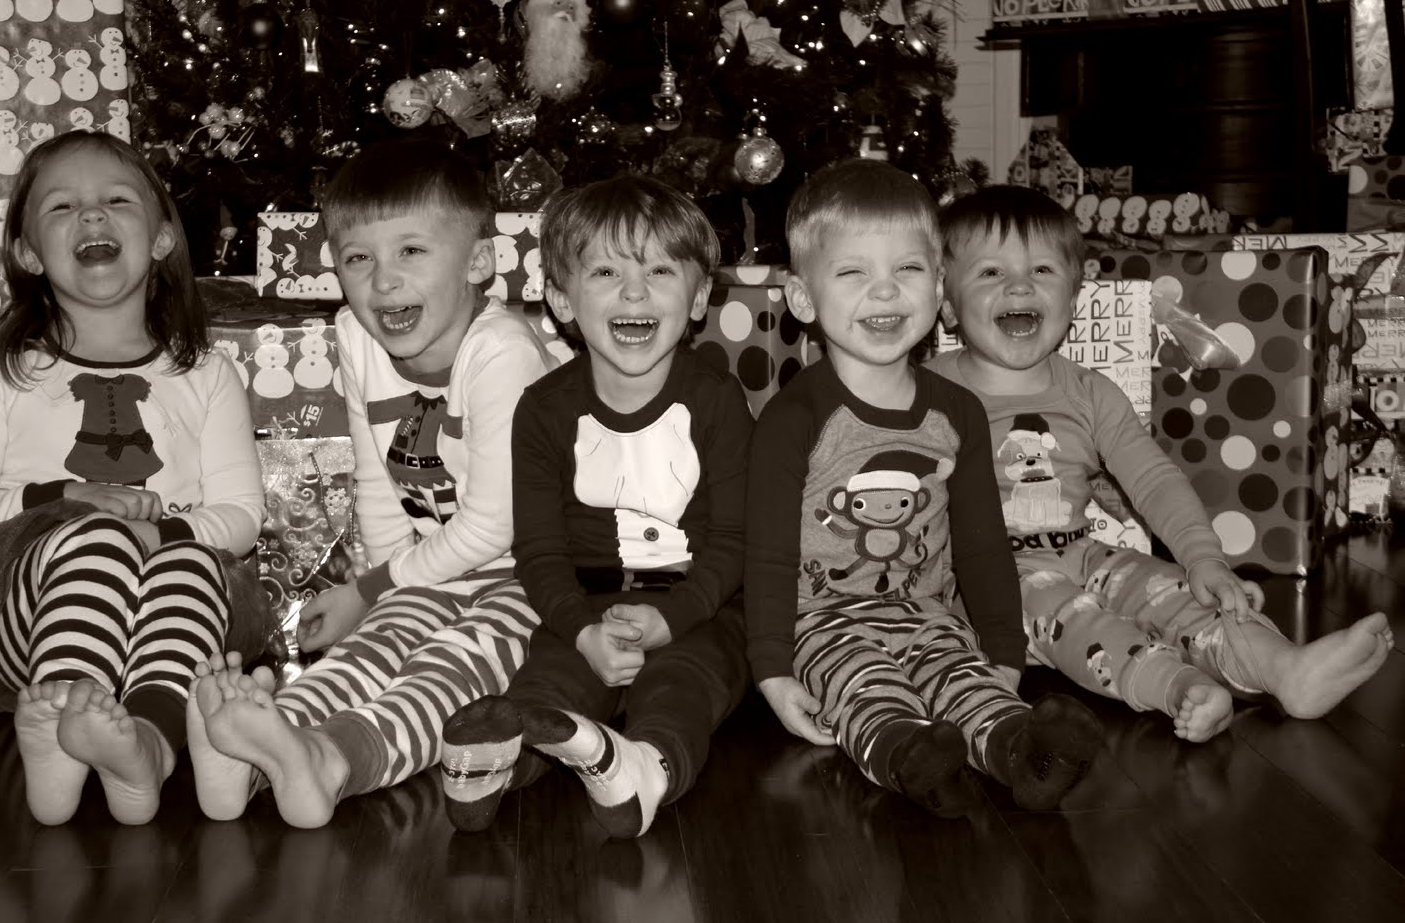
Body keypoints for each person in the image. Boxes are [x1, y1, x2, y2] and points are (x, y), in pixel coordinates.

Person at [927, 184, 1395, 741]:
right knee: (1076, 618)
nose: (1020, 285)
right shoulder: (926, 394)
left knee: (1173, 590)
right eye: (990, 273)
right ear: (947, 304)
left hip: (1079, 549)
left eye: (1043, 270)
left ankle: (1282, 667)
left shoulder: (1089, 393)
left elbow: (1153, 479)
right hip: (987, 582)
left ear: (1072, 299)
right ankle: (1176, 687)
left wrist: (1204, 560)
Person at [188, 138, 551, 828]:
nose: (383, 282)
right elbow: (378, 480)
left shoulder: (501, 353)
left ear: (478, 262)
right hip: (433, 568)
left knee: (448, 671)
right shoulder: (357, 337)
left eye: (411, 251)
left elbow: (493, 527)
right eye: (359, 258)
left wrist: (371, 587)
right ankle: (249, 749)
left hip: (532, 577)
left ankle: (332, 760)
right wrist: (385, 595)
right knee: (368, 650)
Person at [0, 130, 266, 826]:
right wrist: (62, 502)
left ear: (162, 238)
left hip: (182, 617)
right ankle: (63, 712)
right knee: (96, 539)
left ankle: (150, 746)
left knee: (190, 561)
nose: (92, 215)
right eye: (62, 207)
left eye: (116, 200)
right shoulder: (0, 374)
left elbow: (241, 514)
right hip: (32, 622)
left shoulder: (205, 373)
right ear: (28, 253)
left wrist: (161, 534)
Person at [746, 159, 1105, 818]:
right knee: (865, 684)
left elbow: (982, 544)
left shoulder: (957, 411)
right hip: (819, 623)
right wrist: (771, 670)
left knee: (964, 678)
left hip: (926, 613)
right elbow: (765, 556)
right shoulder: (793, 418)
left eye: (907, 269)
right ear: (802, 298)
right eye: (854, 273)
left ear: (938, 286)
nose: (885, 291)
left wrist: (1003, 650)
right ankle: (907, 754)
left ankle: (1022, 751)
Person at [436, 175, 753, 839]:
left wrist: (672, 619)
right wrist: (583, 631)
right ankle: (501, 761)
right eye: (606, 272)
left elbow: (734, 539)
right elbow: (539, 549)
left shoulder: (717, 400)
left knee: (684, 685)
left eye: (660, 271)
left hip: (698, 607)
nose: (634, 292)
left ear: (698, 297)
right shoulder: (544, 408)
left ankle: (645, 766)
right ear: (561, 299)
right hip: (585, 607)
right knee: (549, 679)